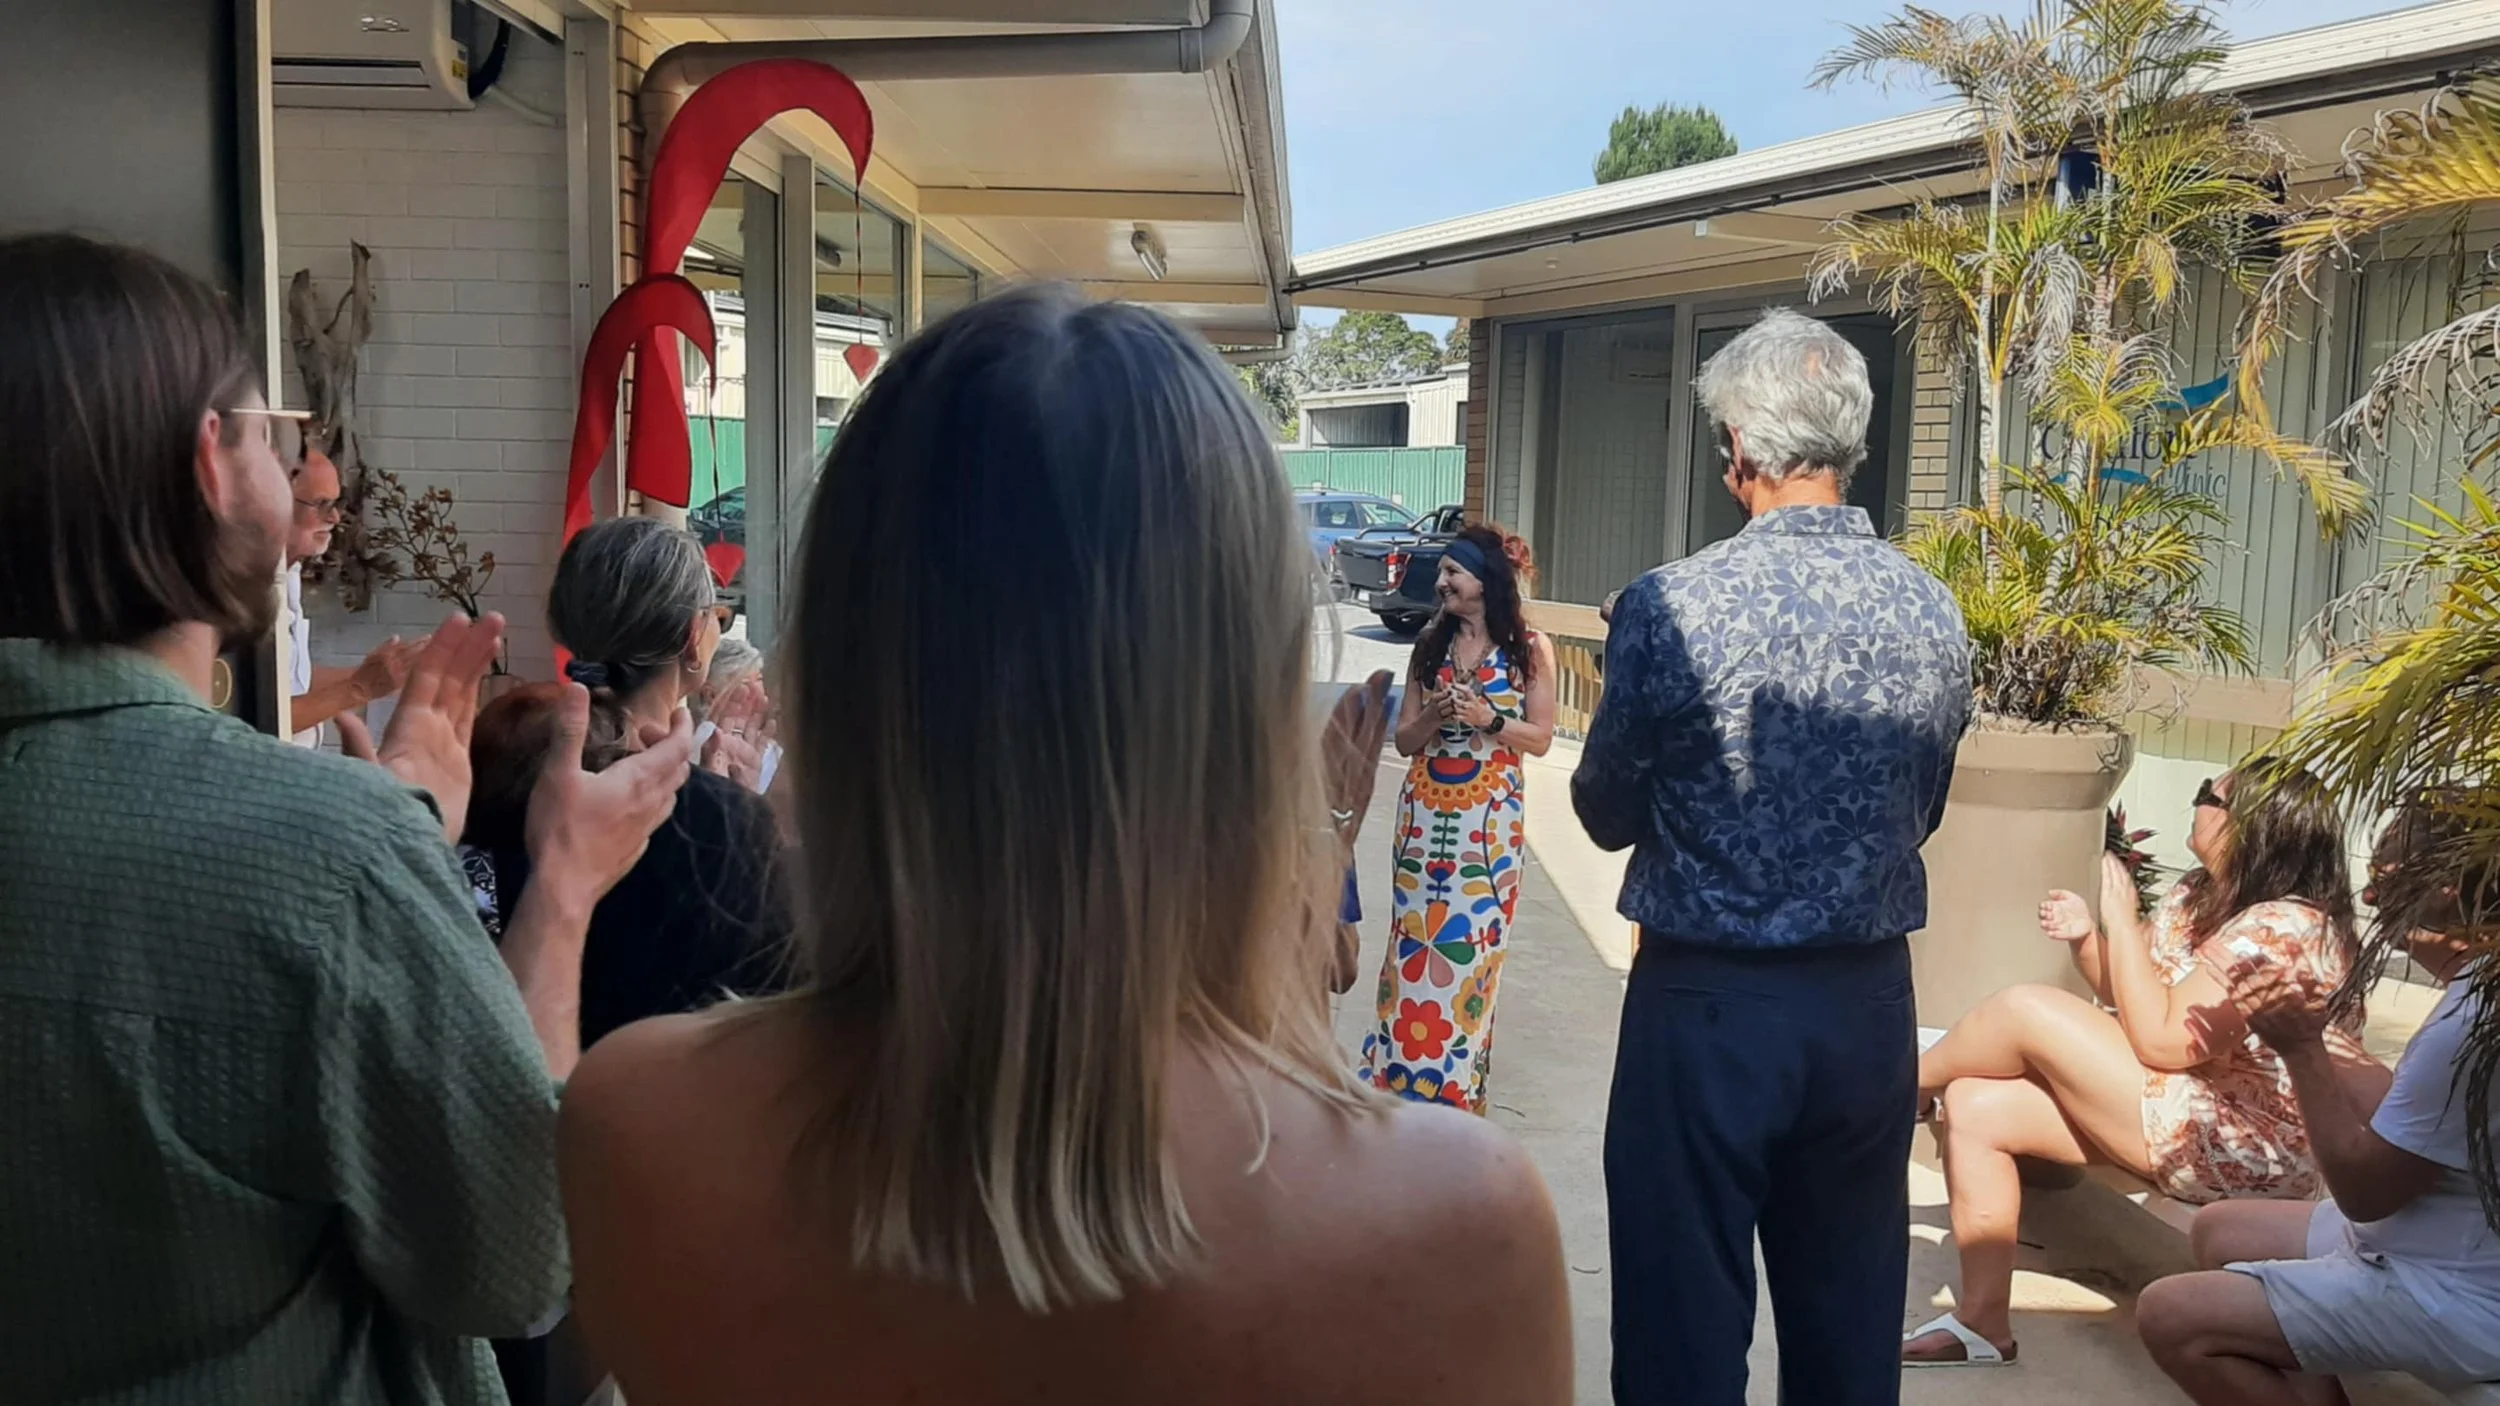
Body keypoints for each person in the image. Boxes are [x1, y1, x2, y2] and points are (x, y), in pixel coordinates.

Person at [555, 284, 1574, 1405]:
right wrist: (1323, 835)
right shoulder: (1454, 1231)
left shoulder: (638, 1128)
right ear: (1238, 708)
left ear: (842, 676)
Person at [0, 231, 693, 1404]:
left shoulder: (339, 847)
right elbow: (520, 1261)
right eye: (277, 437)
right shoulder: (329, 857)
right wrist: (555, 885)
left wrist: (402, 830)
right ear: (209, 467)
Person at [1573, 307, 1972, 1404]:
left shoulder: (1672, 605)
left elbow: (1603, 809)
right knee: (1847, 1327)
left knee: (1680, 1332)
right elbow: (1920, 806)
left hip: (1705, 1003)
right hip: (1864, 1012)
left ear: (1742, 450)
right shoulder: (1934, 609)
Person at [1909, 764, 2369, 1366]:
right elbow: (2131, 992)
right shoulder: (2199, 893)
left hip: (2247, 1146)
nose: (2196, 802)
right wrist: (2087, 941)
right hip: (2174, 1103)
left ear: (2253, 829)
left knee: (2025, 1009)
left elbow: (2161, 1039)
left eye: (2212, 796)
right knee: (1976, 1103)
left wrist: (2121, 918)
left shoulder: (2285, 928)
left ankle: (1894, 1090)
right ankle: (1983, 1325)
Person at [2139, 793, 2500, 1399]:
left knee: (2172, 1316)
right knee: (2220, 1231)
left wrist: (2301, 1049)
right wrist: (2315, 1028)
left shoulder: (2470, 1022)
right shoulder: (2476, 989)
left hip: (2458, 1292)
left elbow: (2364, 1192)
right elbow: (2412, 1121)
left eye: (2386, 876)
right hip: (2438, 1241)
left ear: (2443, 891)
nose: (2368, 899)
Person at [463, 516, 790, 1051]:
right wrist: (751, 823)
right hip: (661, 1111)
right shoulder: (719, 822)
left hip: (502, 1076)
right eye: (718, 618)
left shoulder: (495, 766)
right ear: (692, 639)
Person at [1363, 524, 1556, 1112]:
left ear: (1484, 583)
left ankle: (1456, 1087)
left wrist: (1488, 720)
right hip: (1424, 820)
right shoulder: (1429, 644)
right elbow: (1405, 741)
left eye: (1453, 573)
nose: (1441, 582)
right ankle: (1395, 1079)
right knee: (1413, 942)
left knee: (1472, 946)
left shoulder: (1530, 649)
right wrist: (1438, 715)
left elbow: (1542, 739)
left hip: (1489, 828)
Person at [281, 442, 416, 746]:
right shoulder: (247, 590)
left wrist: (386, 675)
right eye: (321, 504)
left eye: (336, 504)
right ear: (275, 501)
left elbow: (290, 679)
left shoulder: (287, 573)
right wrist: (358, 688)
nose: (335, 519)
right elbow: (259, 717)